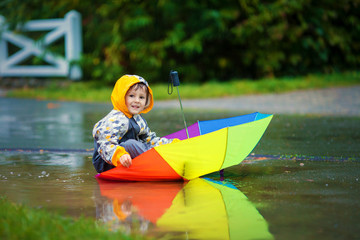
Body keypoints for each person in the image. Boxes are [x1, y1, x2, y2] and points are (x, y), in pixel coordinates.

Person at [92, 74, 179, 173]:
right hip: (109, 161)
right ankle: (160, 163)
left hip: (130, 158)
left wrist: (169, 144)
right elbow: (105, 144)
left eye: (141, 97)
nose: (137, 101)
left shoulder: (138, 119)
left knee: (141, 144)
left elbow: (149, 140)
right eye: (131, 96)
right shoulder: (114, 119)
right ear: (122, 97)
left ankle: (163, 156)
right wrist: (120, 155)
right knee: (131, 144)